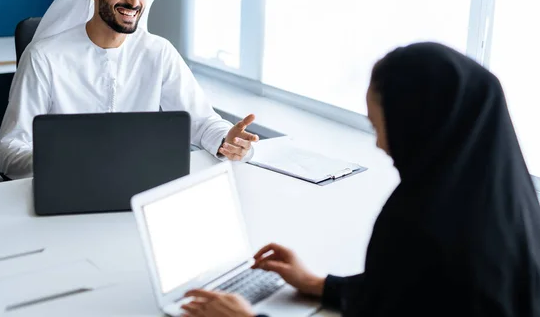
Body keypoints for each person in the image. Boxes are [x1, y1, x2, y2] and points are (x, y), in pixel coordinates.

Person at [181, 42, 540, 317]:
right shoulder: (509, 198)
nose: (381, 145)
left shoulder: (420, 223)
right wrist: (321, 286)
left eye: (382, 128)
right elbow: (417, 293)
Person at [0, 0, 258, 179]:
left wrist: (227, 141)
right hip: (67, 183)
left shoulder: (158, 52)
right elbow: (9, 150)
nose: (134, 1)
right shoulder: (45, 56)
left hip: (140, 184)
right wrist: (62, 164)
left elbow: (202, 122)